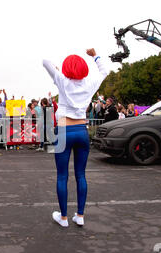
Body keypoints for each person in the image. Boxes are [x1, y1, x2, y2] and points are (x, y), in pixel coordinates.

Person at [43, 48, 108, 227]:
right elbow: (105, 71)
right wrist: (95, 55)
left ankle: (63, 218)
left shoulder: (62, 80)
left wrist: (57, 69)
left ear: (66, 69)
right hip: (81, 130)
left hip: (64, 130)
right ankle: (80, 215)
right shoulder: (90, 83)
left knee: (62, 175)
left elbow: (45, 60)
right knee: (81, 175)